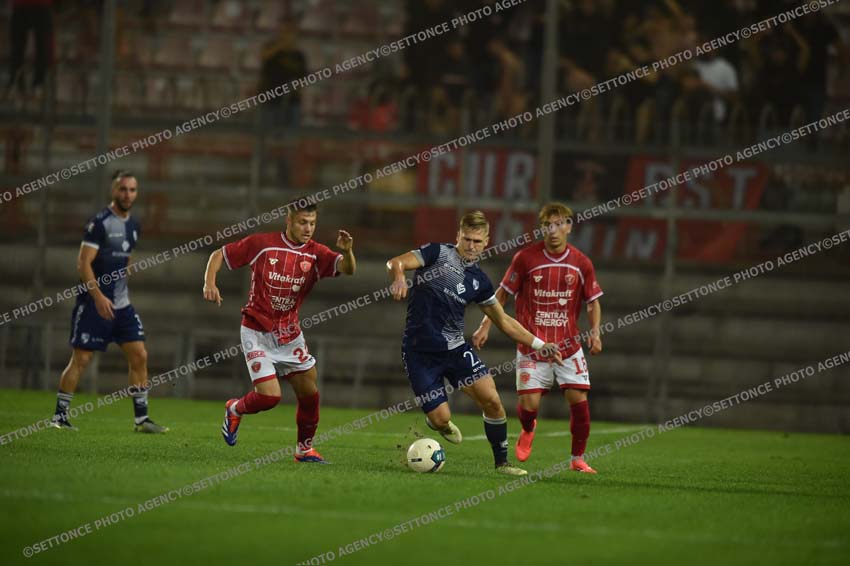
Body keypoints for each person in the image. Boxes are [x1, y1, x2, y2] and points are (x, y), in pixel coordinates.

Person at [387, 211, 562, 477]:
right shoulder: (436, 253)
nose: (471, 246)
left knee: (492, 400)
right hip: (419, 352)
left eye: (477, 241)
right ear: (458, 235)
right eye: (466, 239)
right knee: (441, 418)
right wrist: (399, 276)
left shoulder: (479, 281)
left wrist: (540, 345)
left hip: (455, 350)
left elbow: (503, 321)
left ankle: (502, 463)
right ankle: (439, 424)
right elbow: (395, 262)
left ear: (486, 242)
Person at [203, 199, 355, 463]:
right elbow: (218, 255)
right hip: (256, 331)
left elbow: (348, 269)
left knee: (310, 393)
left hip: (289, 335)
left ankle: (304, 449)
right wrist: (209, 283)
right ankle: (235, 408)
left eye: (312, 223)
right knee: (270, 397)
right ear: (289, 221)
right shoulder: (262, 244)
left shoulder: (316, 253)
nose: (308, 228)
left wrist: (348, 252)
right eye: (303, 222)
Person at [472, 203, 603, 473]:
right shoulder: (525, 258)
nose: (553, 231)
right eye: (547, 225)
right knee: (528, 407)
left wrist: (596, 332)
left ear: (569, 226)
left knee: (579, 403)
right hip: (533, 346)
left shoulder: (581, 263)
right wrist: (485, 325)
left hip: (568, 346)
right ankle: (528, 427)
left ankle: (577, 459)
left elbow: (592, 301)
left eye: (559, 224)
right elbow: (502, 294)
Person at [51, 170, 167, 434]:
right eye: (123, 189)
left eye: (132, 190)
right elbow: (83, 263)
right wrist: (98, 297)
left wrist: (122, 281)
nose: (128, 194)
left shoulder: (134, 225)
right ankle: (59, 417)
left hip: (121, 304)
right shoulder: (99, 223)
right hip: (93, 303)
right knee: (81, 359)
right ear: (113, 191)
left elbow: (126, 258)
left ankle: (141, 420)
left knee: (139, 354)